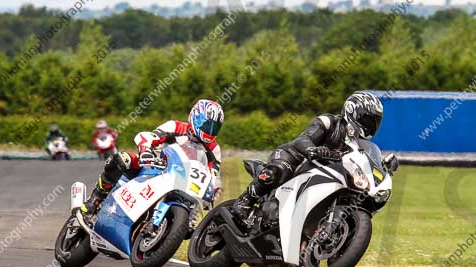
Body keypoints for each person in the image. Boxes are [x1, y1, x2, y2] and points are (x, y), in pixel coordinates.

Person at [231, 91, 384, 220]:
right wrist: (313, 149)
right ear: (351, 111)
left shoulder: (359, 146)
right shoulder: (329, 122)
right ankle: (245, 200)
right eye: (367, 120)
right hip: (295, 157)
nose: (370, 127)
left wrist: (383, 169)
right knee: (278, 171)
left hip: (324, 174)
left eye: (374, 123)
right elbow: (302, 139)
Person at [79, 99, 225, 217]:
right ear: (196, 117)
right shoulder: (175, 126)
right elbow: (147, 137)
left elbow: (212, 176)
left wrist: (211, 191)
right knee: (123, 158)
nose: (210, 130)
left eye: (214, 127)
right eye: (207, 125)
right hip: (154, 166)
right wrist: (146, 152)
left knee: (192, 218)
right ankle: (96, 199)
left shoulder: (214, 149)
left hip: (181, 182)